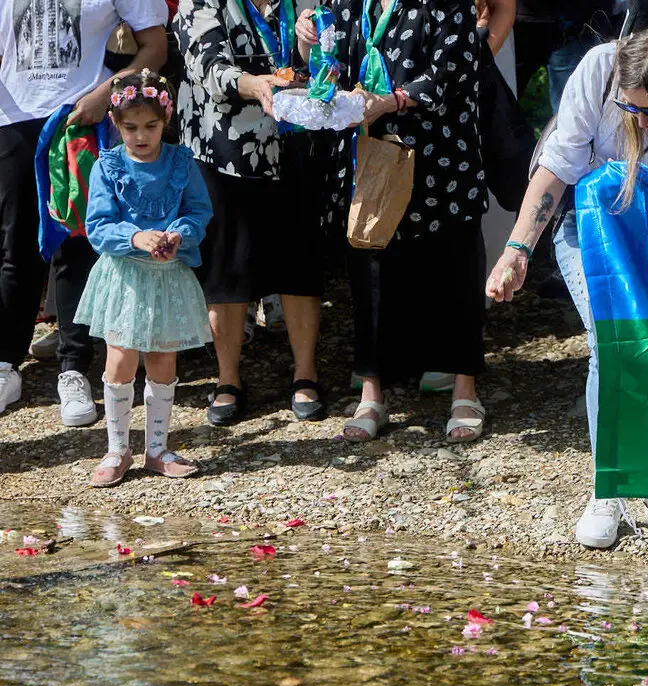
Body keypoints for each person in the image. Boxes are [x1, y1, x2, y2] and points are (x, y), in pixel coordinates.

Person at [485, 25, 648, 548]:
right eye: (629, 108)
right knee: (612, 340)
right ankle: (612, 486)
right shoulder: (599, 69)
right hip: (591, 231)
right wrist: (517, 250)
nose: (638, 122)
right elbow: (557, 165)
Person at [297, 0, 489, 443]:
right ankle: (372, 392)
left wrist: (393, 100)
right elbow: (332, 69)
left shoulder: (446, 4)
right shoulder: (344, 4)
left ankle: (464, 390)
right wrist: (311, 46)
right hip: (369, 157)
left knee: (454, 269)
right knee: (369, 270)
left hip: (440, 158)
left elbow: (453, 70)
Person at [0, 0, 168, 424]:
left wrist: (106, 94)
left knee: (79, 244)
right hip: (12, 119)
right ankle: (5, 364)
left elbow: (154, 45)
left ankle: (74, 369)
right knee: (15, 243)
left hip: (80, 118)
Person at [174, 0, 327, 427]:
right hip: (225, 149)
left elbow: (319, 59)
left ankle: (306, 373)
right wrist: (253, 84)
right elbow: (206, 64)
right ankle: (227, 380)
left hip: (297, 143)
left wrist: (304, 44)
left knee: (300, 260)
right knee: (229, 265)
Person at [76, 71, 213, 488]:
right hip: (125, 277)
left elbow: (199, 212)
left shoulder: (180, 161)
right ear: (116, 124)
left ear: (165, 120)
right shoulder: (108, 164)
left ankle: (156, 448)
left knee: (163, 359)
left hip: (167, 275)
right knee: (120, 359)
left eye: (151, 126)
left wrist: (179, 234)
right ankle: (117, 449)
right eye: (131, 127)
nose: (141, 135)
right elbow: (97, 226)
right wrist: (135, 235)